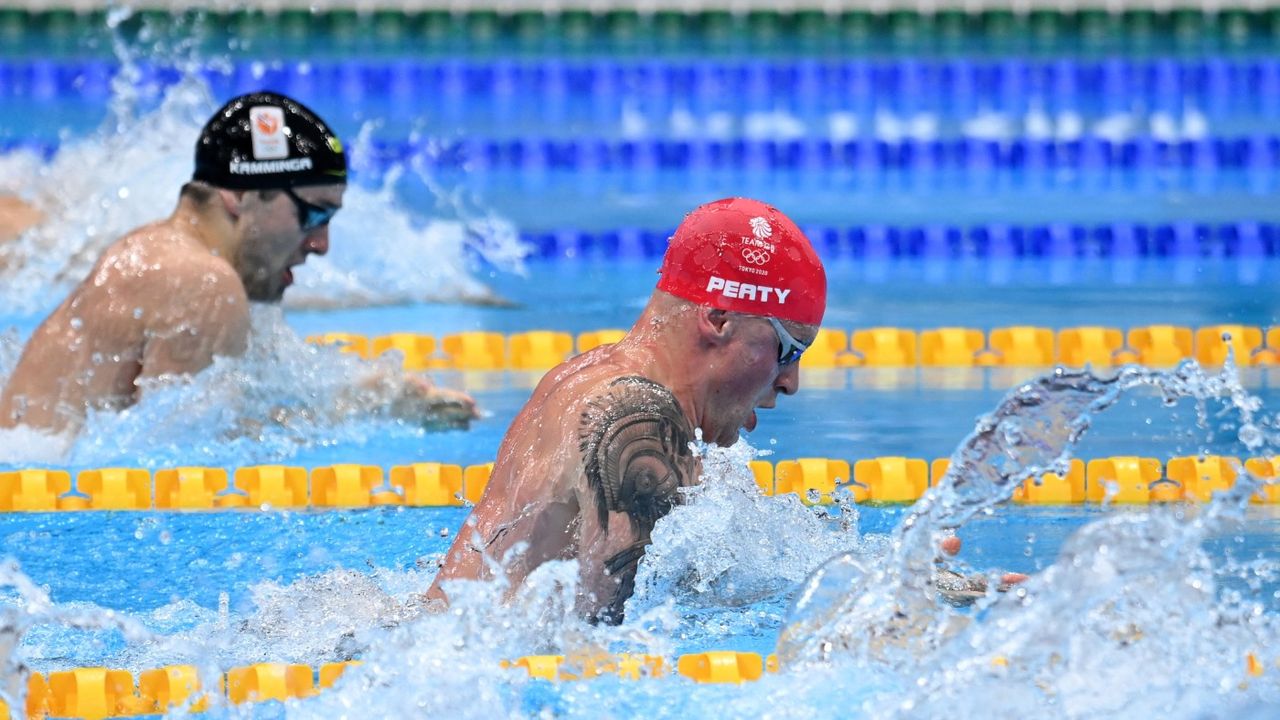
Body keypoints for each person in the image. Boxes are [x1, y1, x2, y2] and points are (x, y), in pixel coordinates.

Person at [426, 197, 826, 623]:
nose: (790, 382)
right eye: (787, 349)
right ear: (720, 318)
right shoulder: (637, 418)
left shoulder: (583, 379)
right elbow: (604, 640)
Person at [0, 91, 476, 434]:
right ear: (241, 195)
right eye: (313, 213)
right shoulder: (200, 282)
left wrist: (369, 397)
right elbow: (178, 460)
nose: (321, 244)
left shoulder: (165, 255)